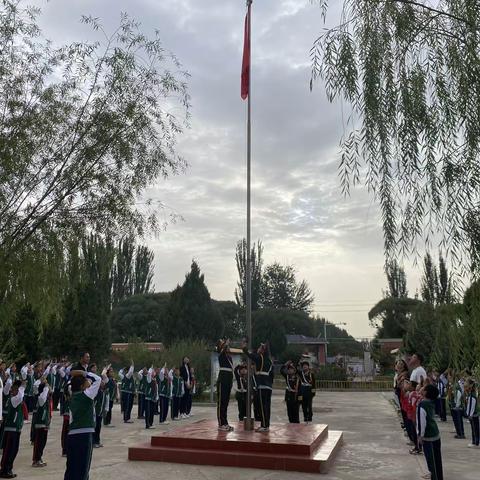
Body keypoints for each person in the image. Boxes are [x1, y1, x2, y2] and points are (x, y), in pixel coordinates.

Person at [64, 364, 108, 480]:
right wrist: (84, 373)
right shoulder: (86, 395)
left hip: (72, 435)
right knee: (83, 468)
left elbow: (70, 383)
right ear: (82, 386)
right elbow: (98, 379)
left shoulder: (72, 395)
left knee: (72, 467)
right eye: (86, 381)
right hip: (84, 435)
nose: (89, 382)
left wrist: (76, 374)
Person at [242, 341, 274, 432]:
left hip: (262, 386)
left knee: (262, 406)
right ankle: (266, 425)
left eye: (260, 348)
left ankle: (263, 426)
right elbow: (272, 375)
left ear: (263, 350)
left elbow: (251, 356)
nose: (258, 349)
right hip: (269, 387)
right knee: (267, 406)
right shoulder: (270, 361)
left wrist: (244, 349)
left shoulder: (260, 357)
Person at [0, 379, 25, 479]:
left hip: (16, 429)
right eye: (16, 390)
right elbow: (20, 397)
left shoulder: (16, 399)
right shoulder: (13, 399)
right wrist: (22, 386)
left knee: (14, 450)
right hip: (11, 429)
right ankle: (4, 470)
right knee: (8, 451)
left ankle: (8, 469)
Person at [418, 384, 443, 480]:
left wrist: (420, 435)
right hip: (436, 434)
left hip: (428, 437)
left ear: (425, 392)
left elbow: (422, 422)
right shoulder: (431, 402)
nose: (421, 388)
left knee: (431, 463)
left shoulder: (422, 404)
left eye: (423, 388)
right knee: (437, 460)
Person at [216, 339, 234, 431]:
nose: (228, 348)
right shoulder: (221, 356)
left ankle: (225, 422)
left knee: (226, 403)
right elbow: (221, 350)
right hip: (222, 381)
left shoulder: (229, 357)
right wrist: (225, 344)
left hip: (228, 381)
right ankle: (221, 423)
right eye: (226, 346)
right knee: (221, 402)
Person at [31, 379, 50, 467]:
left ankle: (39, 457)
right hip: (39, 423)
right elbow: (42, 399)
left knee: (43, 442)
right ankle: (36, 460)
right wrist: (45, 387)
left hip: (45, 423)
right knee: (38, 442)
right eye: (46, 389)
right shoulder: (40, 397)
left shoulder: (45, 398)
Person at [465, 378, 479, 448]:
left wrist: (470, 415)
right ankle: (474, 441)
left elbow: (472, 406)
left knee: (475, 429)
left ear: (471, 385)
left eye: (467, 384)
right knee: (474, 428)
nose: (466, 385)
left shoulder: (472, 394)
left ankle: (476, 442)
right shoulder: (471, 393)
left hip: (473, 414)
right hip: (472, 414)